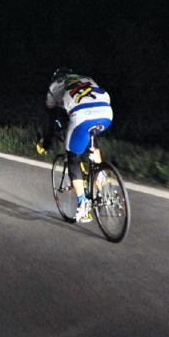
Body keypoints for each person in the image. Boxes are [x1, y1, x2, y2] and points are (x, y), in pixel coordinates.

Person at [36, 67, 114, 223]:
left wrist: (45, 144)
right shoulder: (86, 78)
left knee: (72, 158)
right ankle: (103, 181)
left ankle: (83, 204)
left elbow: (51, 120)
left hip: (82, 115)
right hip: (106, 112)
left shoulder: (53, 87)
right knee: (91, 137)